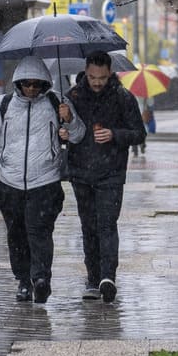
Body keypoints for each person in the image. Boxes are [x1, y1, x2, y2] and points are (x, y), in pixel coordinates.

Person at [0, 55, 84, 303]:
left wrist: (69, 120)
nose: (31, 89)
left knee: (39, 233)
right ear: (18, 83)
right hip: (9, 184)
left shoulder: (57, 102)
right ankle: (23, 281)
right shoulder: (0, 106)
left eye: (37, 84)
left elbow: (79, 135)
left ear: (44, 84)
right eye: (27, 84)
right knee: (16, 235)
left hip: (45, 183)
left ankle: (41, 278)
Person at [63, 50, 146, 303]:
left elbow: (139, 134)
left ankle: (107, 277)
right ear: (85, 73)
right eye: (92, 77)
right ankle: (92, 278)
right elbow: (64, 132)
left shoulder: (123, 97)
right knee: (89, 227)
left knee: (107, 225)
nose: (96, 82)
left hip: (111, 173)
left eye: (101, 77)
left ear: (110, 73)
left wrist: (114, 135)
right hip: (81, 173)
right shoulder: (73, 97)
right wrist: (63, 129)